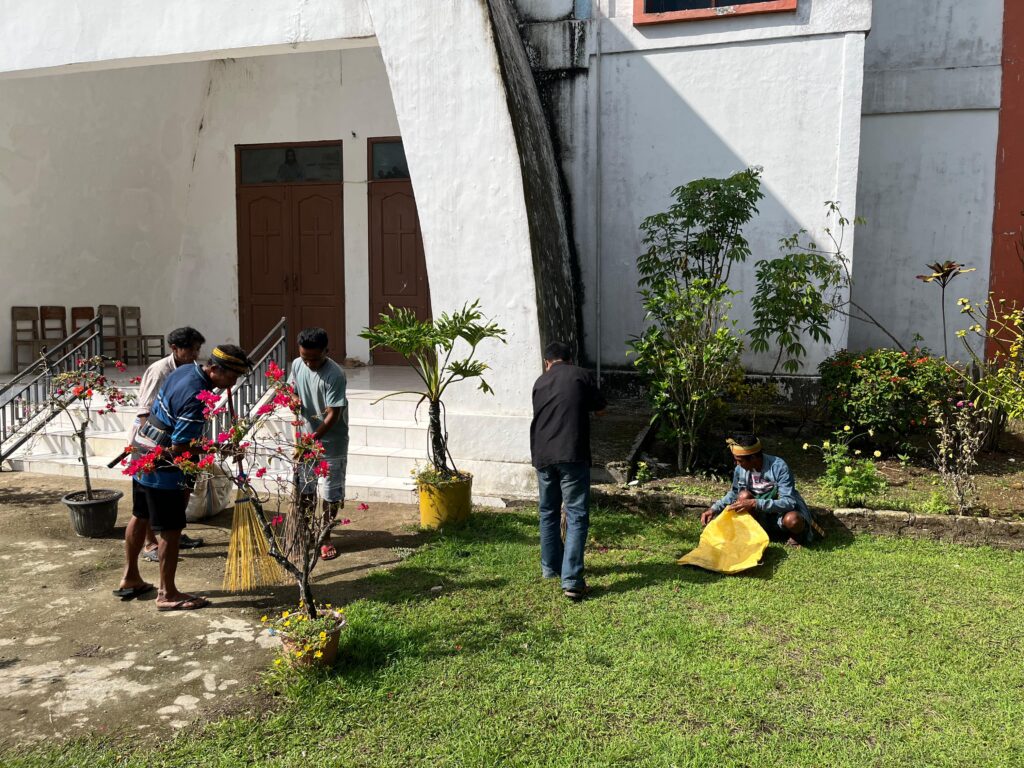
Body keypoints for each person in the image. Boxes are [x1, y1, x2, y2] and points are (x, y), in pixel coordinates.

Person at [115, 344, 251, 610]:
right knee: (171, 529)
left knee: (140, 515)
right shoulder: (196, 397)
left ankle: (130, 577)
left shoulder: (185, 370)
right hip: (163, 465)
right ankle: (167, 594)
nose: (233, 383)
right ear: (214, 369)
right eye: (232, 376)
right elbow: (180, 446)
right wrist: (219, 448)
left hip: (142, 451)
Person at [530, 341, 606, 601]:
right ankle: (572, 580)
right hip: (571, 453)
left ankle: (551, 568)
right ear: (570, 359)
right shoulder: (581, 375)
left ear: (547, 362)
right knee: (575, 514)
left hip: (542, 454)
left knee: (548, 511)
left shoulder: (539, 382)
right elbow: (601, 409)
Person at [127, 326, 207, 563]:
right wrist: (155, 448)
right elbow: (145, 411)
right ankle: (150, 543)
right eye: (190, 349)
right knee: (150, 502)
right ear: (174, 348)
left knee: (183, 490)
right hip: (156, 444)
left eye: (197, 349)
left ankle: (174, 535)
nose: (194, 354)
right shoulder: (160, 370)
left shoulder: (192, 370)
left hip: (180, 441)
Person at [288, 328, 349, 560]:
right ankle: (306, 532)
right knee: (306, 490)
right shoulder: (297, 364)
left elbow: (333, 415)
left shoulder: (335, 375)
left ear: (326, 351)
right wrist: (294, 399)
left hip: (331, 443)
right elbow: (291, 389)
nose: (309, 363)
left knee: (331, 494)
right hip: (304, 441)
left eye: (315, 358)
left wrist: (311, 440)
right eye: (305, 357)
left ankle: (325, 537)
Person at [700, 434, 816, 547]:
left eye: (740, 461)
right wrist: (714, 509)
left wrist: (755, 503)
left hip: (780, 515)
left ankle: (796, 536)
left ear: (753, 458)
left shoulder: (779, 467)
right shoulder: (740, 469)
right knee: (743, 495)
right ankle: (754, 533)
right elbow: (734, 493)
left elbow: (789, 502)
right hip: (759, 516)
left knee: (793, 520)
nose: (737, 464)